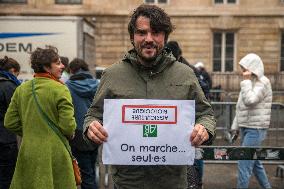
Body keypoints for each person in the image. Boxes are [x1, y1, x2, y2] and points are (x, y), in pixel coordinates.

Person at [83, 4, 216, 189]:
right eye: (142, 33)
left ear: (165, 36)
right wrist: (91, 127)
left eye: (156, 32)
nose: (149, 39)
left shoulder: (185, 74)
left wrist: (204, 128)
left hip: (173, 182)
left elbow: (206, 114)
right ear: (132, 36)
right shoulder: (112, 75)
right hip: (127, 183)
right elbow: (93, 114)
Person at [4, 47, 77, 188]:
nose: (62, 66)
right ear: (46, 67)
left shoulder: (21, 89)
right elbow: (67, 126)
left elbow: (10, 122)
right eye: (58, 63)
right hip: (56, 153)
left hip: (29, 151)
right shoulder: (60, 89)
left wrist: (31, 131)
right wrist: (70, 134)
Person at [165, 41, 209, 189]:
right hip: (175, 122)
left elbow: (203, 93)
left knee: (195, 154)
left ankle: (197, 182)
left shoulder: (188, 71)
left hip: (190, 120)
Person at [231, 53, 272, 189]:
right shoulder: (248, 83)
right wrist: (235, 127)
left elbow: (250, 101)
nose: (243, 72)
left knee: (244, 163)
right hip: (245, 126)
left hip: (256, 128)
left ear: (252, 68)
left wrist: (246, 82)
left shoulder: (263, 82)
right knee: (254, 163)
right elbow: (240, 106)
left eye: (245, 68)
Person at [66, 58, 99, 189]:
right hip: (96, 130)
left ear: (71, 70)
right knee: (92, 167)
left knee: (85, 174)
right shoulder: (98, 84)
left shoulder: (67, 86)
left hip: (78, 133)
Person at [0, 56, 21, 189]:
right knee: (7, 178)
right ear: (13, 71)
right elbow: (17, 114)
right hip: (6, 140)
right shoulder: (10, 86)